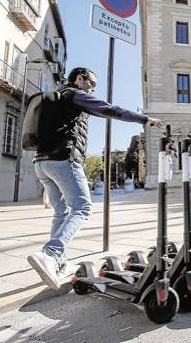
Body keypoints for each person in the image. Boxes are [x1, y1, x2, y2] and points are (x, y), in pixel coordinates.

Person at [27, 67, 164, 290]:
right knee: (82, 208)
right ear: (79, 79)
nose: (92, 88)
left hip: (41, 162)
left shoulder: (56, 98)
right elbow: (109, 110)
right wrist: (144, 119)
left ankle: (58, 264)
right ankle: (50, 254)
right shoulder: (74, 95)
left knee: (61, 212)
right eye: (91, 83)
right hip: (64, 159)